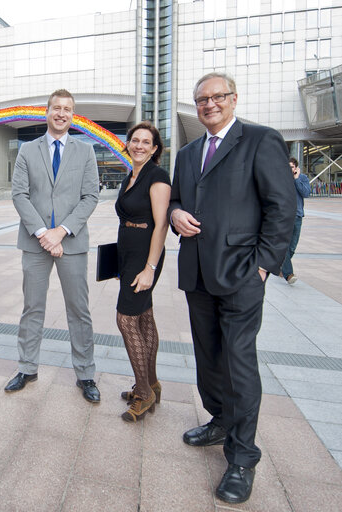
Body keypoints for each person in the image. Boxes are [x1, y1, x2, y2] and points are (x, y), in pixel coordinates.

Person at [169, 72, 294, 504]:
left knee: (239, 363)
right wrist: (175, 215)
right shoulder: (186, 153)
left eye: (217, 97)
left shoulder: (261, 140)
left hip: (242, 274)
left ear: (233, 99)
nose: (209, 104)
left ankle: (242, 457)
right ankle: (219, 420)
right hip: (198, 274)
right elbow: (176, 199)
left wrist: (263, 267)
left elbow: (283, 207)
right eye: (201, 99)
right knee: (208, 356)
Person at [6, 89, 101, 403]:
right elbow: (19, 195)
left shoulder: (85, 152)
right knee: (32, 308)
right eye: (56, 108)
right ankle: (27, 367)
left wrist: (60, 232)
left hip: (71, 242)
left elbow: (90, 198)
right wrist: (43, 233)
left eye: (68, 109)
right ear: (46, 112)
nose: (62, 114)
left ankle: (85, 374)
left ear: (73, 115)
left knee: (79, 310)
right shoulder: (27, 152)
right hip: (35, 243)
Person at [115, 121, 170, 422]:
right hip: (129, 256)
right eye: (134, 140)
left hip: (145, 258)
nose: (139, 145)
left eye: (145, 142)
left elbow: (161, 224)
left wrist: (149, 268)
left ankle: (145, 393)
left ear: (155, 148)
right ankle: (151, 383)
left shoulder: (157, 176)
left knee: (126, 319)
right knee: (144, 317)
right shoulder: (131, 176)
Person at [281, 157, 311, 284]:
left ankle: (282, 266)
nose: (290, 170)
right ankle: (289, 274)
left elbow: (306, 193)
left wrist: (297, 179)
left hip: (297, 216)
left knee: (292, 247)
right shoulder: (282, 179)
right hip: (284, 216)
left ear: (296, 168)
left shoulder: (302, 178)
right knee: (285, 246)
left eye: (292, 167)